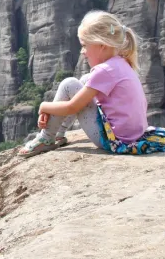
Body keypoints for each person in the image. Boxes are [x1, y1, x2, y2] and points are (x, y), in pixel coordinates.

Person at [18, 10, 147, 157]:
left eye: (85, 45)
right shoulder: (120, 62)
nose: (82, 52)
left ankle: (46, 138)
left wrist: (44, 107)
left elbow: (72, 106)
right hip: (133, 135)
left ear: (102, 45)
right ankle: (59, 133)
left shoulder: (104, 71)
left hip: (115, 140)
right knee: (85, 80)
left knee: (69, 85)